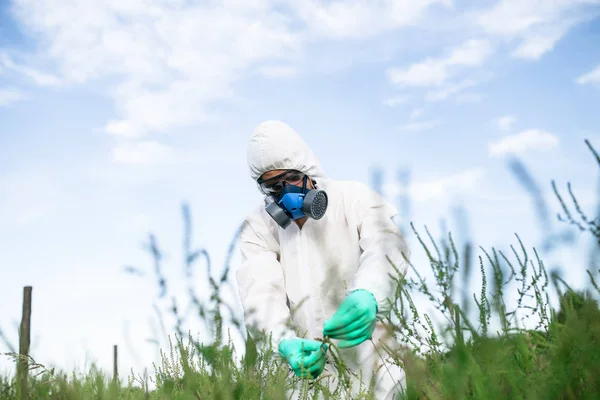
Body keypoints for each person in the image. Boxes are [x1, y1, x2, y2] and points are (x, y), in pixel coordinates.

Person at [235, 120, 410, 399]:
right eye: (273, 186)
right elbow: (260, 293)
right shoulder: (259, 227)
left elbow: (387, 246)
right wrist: (284, 342)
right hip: (305, 372)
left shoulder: (353, 198)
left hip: (371, 360)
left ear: (308, 170)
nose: (286, 193)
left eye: (291, 179)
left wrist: (371, 293)